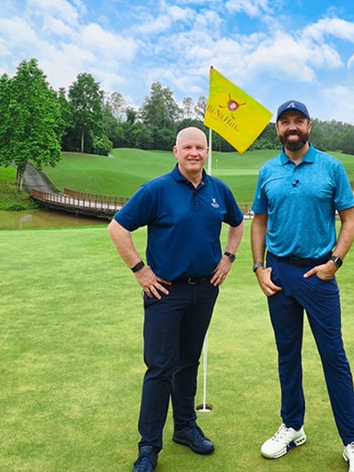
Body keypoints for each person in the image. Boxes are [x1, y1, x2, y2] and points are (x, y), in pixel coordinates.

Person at [108, 126, 245, 472]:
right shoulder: (157, 190)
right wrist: (140, 270)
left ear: (207, 152)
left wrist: (228, 258)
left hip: (205, 289)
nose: (194, 153)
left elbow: (238, 223)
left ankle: (184, 427)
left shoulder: (219, 190)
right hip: (165, 291)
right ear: (176, 151)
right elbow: (117, 228)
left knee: (188, 362)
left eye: (200, 147)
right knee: (160, 367)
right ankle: (148, 446)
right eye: (188, 147)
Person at [251, 100, 354, 472]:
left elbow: (349, 220)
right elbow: (259, 221)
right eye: (285, 122)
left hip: (318, 276)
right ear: (277, 129)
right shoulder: (268, 171)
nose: (292, 127)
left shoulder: (331, 167)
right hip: (279, 274)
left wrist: (335, 262)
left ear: (309, 126)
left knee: (334, 357)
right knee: (287, 354)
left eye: (298, 121)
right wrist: (259, 267)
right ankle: (293, 426)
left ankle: (352, 442)